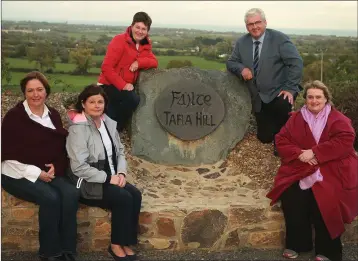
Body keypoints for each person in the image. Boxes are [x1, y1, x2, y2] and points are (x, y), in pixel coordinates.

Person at [266, 81, 358, 261]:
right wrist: (299, 154)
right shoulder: (297, 118)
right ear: (305, 99)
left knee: (326, 199)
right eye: (310, 97)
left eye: (318, 97)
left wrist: (315, 152)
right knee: (291, 197)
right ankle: (298, 244)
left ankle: (328, 251)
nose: (314, 101)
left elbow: (346, 141)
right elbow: (281, 140)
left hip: (332, 168)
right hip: (301, 167)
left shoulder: (338, 119)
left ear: (326, 99)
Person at [1, 71, 79, 261]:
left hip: (48, 171)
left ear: (46, 91)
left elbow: (60, 146)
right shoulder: (14, 117)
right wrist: (37, 173)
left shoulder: (52, 114)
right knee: (50, 197)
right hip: (17, 173)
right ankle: (50, 252)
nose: (35, 94)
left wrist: (56, 166)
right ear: (24, 93)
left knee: (71, 193)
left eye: (39, 89)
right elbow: (7, 156)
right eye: (30, 91)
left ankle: (67, 248)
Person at [66, 84, 142, 261]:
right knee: (123, 198)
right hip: (87, 181)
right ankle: (115, 245)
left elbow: (121, 151)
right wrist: (109, 178)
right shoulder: (78, 129)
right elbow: (79, 167)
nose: (97, 105)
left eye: (100, 101)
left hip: (112, 176)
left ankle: (126, 242)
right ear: (83, 104)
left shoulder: (108, 122)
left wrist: (121, 174)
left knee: (135, 194)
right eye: (92, 101)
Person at [226, 8, 303, 155]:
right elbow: (231, 62)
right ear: (246, 26)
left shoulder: (280, 39)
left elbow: (296, 63)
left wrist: (290, 88)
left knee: (282, 106)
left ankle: (283, 141)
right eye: (250, 24)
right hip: (258, 96)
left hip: (279, 92)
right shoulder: (242, 42)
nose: (254, 27)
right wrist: (241, 68)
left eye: (257, 22)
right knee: (264, 137)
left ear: (265, 22)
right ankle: (278, 131)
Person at [97, 11, 158, 132]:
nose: (140, 31)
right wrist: (123, 85)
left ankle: (112, 130)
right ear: (132, 26)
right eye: (137, 27)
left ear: (147, 31)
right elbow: (106, 68)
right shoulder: (119, 40)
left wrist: (139, 62)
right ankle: (113, 130)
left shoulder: (145, 45)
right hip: (108, 84)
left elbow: (154, 62)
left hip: (124, 88)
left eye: (144, 29)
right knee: (133, 100)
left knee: (123, 105)